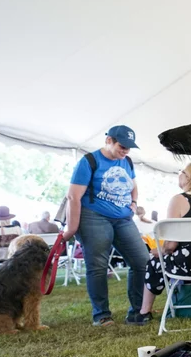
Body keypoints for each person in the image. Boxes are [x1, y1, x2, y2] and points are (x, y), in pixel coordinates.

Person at [61, 125, 151, 327]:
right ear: (108, 140)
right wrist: (72, 229)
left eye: (129, 148)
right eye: (122, 146)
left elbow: (134, 187)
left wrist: (134, 204)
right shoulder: (89, 162)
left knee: (142, 261)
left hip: (123, 218)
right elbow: (73, 197)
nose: (126, 151)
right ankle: (101, 315)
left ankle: (138, 310)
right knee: (98, 266)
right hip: (94, 217)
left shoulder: (126, 161)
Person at [139, 163, 191, 324]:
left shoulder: (179, 200)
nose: (180, 175)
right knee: (177, 257)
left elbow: (171, 245)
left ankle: (144, 312)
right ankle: (186, 301)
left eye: (182, 172)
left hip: (186, 264)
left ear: (188, 178)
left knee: (155, 261)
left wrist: (159, 251)